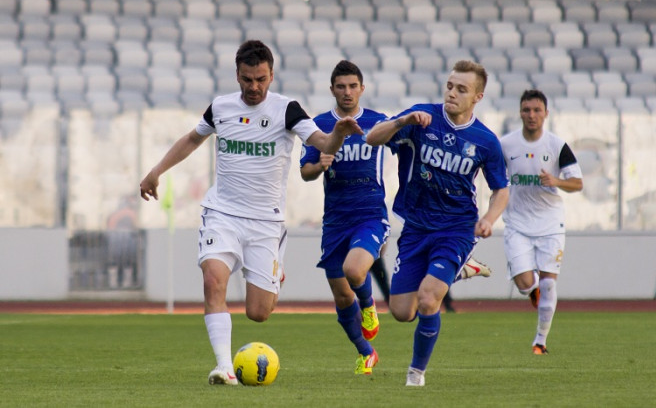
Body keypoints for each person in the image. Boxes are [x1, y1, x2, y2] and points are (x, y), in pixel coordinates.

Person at [139, 40, 362, 385]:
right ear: (237, 76)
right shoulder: (221, 107)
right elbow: (191, 139)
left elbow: (320, 143)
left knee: (259, 313)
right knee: (214, 281)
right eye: (247, 79)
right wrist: (156, 172)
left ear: (271, 75)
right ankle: (224, 367)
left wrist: (338, 135)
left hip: (265, 222)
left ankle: (275, 273)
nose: (254, 87)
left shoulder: (287, 109)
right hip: (222, 212)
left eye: (260, 79)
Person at [366, 60, 509, 386]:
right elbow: (373, 138)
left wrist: (488, 218)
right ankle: (462, 269)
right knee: (402, 311)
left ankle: (416, 374)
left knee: (430, 298)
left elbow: (501, 189)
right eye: (449, 86)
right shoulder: (420, 117)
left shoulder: (485, 141)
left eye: (462, 89)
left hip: (457, 228)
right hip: (416, 227)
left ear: (477, 97)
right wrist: (402, 121)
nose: (452, 93)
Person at [299, 60, 388, 375]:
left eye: (353, 86)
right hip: (335, 220)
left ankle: (368, 306)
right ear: (332, 90)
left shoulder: (378, 122)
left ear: (362, 88)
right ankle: (366, 352)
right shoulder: (319, 124)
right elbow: (305, 173)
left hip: (369, 214)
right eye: (341, 86)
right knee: (339, 295)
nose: (347, 92)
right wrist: (320, 165)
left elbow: (406, 144)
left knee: (354, 270)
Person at [499, 89, 583, 355]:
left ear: (546, 113)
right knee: (525, 283)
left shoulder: (557, 146)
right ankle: (533, 292)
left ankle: (540, 341)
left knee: (548, 283)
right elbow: (494, 177)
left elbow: (577, 183)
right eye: (526, 110)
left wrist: (556, 181)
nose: (531, 115)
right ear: (520, 113)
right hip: (517, 223)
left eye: (537, 110)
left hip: (550, 223)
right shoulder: (506, 145)